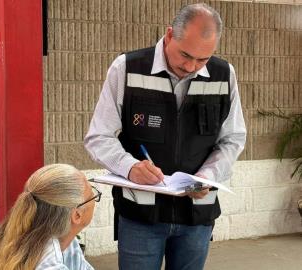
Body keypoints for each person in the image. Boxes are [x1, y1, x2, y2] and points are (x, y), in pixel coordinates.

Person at [84, 3, 246, 270]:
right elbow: (99, 136)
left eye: (202, 59)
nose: (192, 66)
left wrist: (208, 176)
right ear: (169, 35)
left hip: (197, 216)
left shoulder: (224, 75)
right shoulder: (127, 68)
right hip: (141, 217)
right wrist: (131, 167)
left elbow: (233, 139)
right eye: (185, 55)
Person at [0, 164, 100, 270]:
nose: (94, 199)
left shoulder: (63, 241)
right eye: (92, 196)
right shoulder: (49, 262)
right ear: (77, 215)